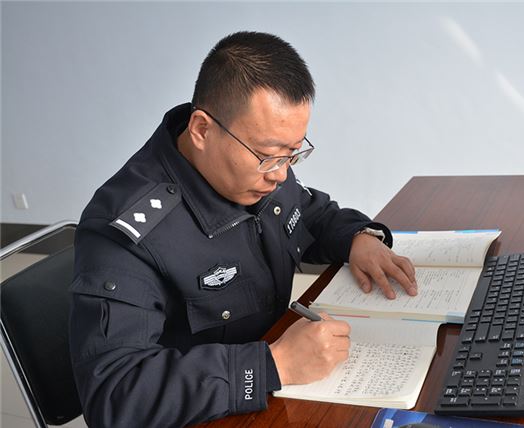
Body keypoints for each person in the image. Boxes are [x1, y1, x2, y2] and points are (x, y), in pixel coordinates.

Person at [69, 31, 417, 427]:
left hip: (270, 395)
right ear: (202, 130)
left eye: (293, 154)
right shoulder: (127, 233)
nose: (281, 174)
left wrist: (358, 238)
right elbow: (114, 396)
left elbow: (309, 213)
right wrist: (271, 364)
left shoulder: (257, 169)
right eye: (269, 156)